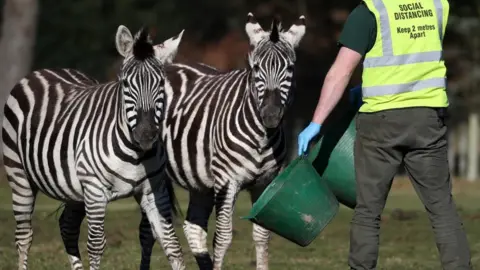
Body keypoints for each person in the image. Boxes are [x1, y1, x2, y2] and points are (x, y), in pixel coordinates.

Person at [297, 1, 473, 269]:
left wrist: (316, 122)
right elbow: (412, 55)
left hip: (381, 121)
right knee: (442, 209)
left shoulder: (369, 11)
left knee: (368, 212)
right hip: (427, 118)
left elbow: (341, 72)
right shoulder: (438, 6)